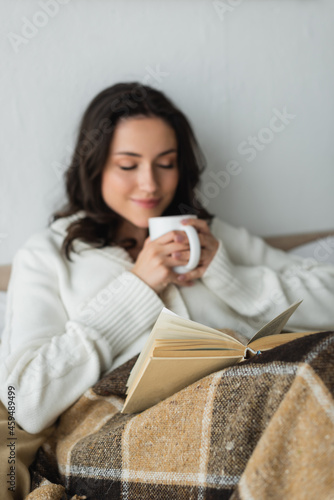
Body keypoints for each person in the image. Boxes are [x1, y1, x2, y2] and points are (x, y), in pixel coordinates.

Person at [1, 82, 334, 438]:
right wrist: (137, 289)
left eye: (166, 164)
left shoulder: (209, 235)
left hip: (251, 405)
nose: (150, 184)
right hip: (125, 433)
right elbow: (22, 402)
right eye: (128, 165)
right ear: (94, 166)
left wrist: (232, 278)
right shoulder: (48, 254)